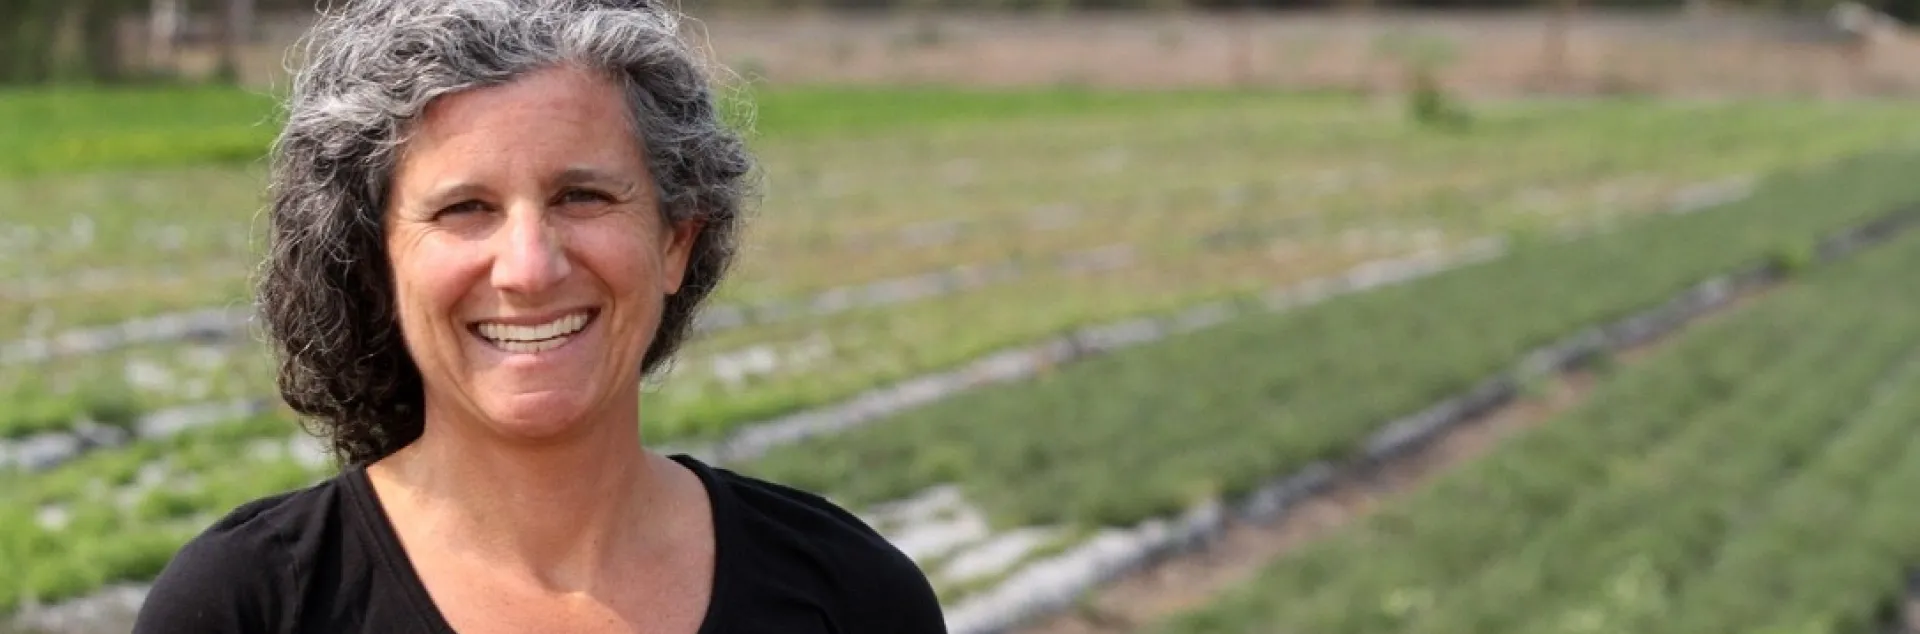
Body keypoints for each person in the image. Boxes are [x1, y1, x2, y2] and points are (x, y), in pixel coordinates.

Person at [131, 1, 948, 632]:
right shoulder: (249, 608)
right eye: (464, 208)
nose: (529, 267)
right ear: (378, 259)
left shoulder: (853, 598)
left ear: (675, 240)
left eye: (582, 196)